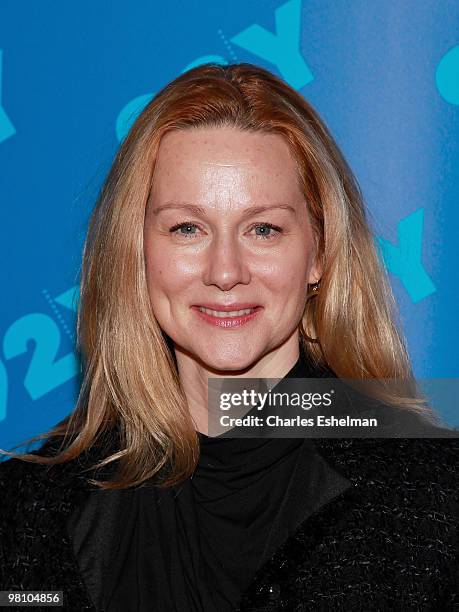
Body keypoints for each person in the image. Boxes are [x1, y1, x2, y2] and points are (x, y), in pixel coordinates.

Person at [0, 62, 457, 611]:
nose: (224, 271)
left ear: (319, 252)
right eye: (186, 228)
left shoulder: (432, 493)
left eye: (263, 229)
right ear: (136, 252)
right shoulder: (28, 509)